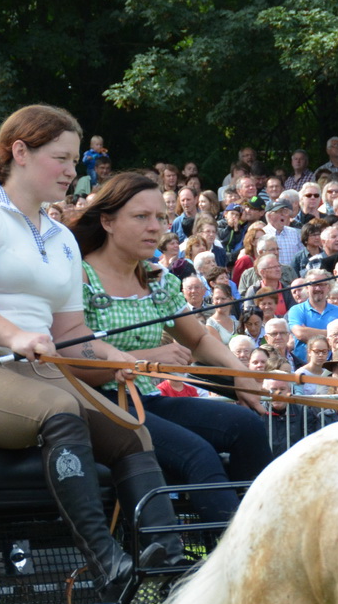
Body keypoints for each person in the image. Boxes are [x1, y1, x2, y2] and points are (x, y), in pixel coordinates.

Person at [0, 107, 179, 601]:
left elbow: (71, 330)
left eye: (74, 160)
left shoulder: (61, 239)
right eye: (61, 158)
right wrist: (14, 335)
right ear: (20, 153)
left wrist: (122, 358)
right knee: (60, 409)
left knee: (130, 431)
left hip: (27, 369)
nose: (71, 171)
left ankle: (165, 557)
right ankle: (104, 560)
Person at [70, 172, 272, 529]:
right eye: (141, 217)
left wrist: (241, 374)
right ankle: (235, 560)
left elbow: (198, 339)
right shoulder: (79, 277)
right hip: (96, 405)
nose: (155, 228)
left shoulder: (156, 277)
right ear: (107, 222)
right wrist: (145, 360)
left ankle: (262, 534)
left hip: (144, 400)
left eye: (160, 218)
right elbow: (70, 362)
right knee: (197, 455)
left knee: (246, 425)